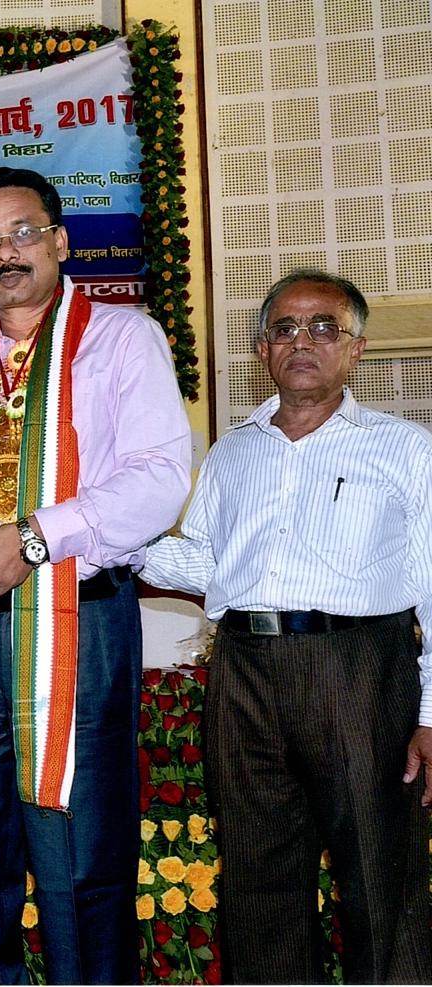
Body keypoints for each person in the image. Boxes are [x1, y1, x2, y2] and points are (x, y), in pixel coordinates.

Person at [0, 166, 191, 983]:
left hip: (76, 619)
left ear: (60, 241)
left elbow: (159, 480)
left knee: (79, 850)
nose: (7, 252)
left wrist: (35, 538)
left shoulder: (122, 337)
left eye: (23, 232)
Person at [139, 269, 432, 983]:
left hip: (358, 668)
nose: (303, 341)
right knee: (256, 875)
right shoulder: (232, 452)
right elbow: (204, 561)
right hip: (243, 668)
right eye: (284, 328)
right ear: (262, 350)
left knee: (379, 873)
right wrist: (102, 534)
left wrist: (430, 711)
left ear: (356, 348)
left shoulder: (407, 448)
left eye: (324, 326)